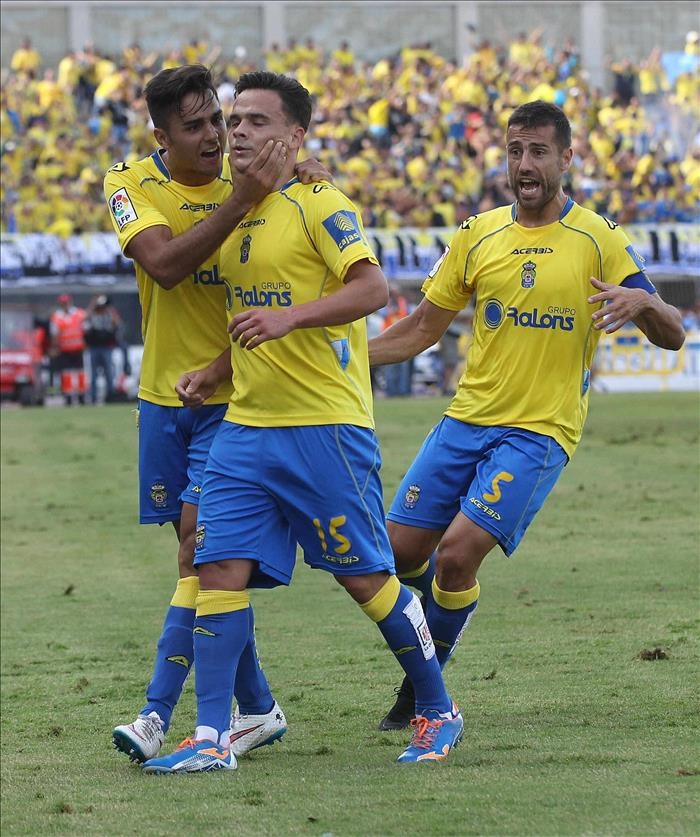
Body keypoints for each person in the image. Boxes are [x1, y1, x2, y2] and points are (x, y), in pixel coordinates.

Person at [141, 70, 462, 774]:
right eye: (235, 121)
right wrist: (217, 370)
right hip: (247, 426)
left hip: (325, 426)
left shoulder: (321, 201)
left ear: (295, 136)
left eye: (257, 120)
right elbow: (251, 307)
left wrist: (289, 319)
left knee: (367, 580)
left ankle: (438, 708)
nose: (239, 132)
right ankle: (209, 736)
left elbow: (372, 287)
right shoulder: (238, 207)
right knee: (215, 566)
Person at [368, 100, 686, 731]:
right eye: (515, 151)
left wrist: (640, 302)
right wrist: (339, 358)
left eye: (539, 151)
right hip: (466, 420)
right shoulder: (477, 233)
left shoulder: (600, 238)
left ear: (567, 158)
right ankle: (439, 626)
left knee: (457, 556)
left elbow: (674, 334)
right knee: (397, 553)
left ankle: (421, 687)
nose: (525, 165)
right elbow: (419, 331)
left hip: (539, 431)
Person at [103, 64, 331, 764]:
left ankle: (155, 713)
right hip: (164, 401)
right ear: (161, 133)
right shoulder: (129, 184)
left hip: (235, 400)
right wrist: (245, 198)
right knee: (206, 569)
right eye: (195, 125)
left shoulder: (253, 176)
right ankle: (256, 706)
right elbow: (165, 265)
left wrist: (293, 175)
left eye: (218, 119)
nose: (213, 135)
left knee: (199, 552)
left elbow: (306, 193)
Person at [83, 294, 122, 404]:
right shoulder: (92, 315)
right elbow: (84, 319)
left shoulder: (109, 315)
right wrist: (93, 304)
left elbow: (117, 323)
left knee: (109, 373)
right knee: (94, 374)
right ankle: (94, 398)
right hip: (94, 347)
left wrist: (109, 308)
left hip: (107, 347)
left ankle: (110, 396)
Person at [49, 293, 87, 405]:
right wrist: (54, 347)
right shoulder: (56, 316)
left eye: (66, 302)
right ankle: (68, 397)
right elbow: (54, 334)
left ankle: (81, 396)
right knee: (66, 374)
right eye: (63, 302)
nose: (65, 304)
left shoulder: (79, 313)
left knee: (80, 372)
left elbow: (86, 329)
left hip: (78, 348)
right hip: (64, 349)